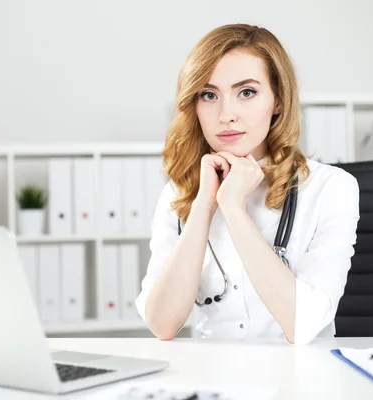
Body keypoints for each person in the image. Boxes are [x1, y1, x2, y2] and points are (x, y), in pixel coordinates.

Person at [135, 23, 360, 346]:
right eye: (209, 95)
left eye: (246, 93)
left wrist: (233, 208)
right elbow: (162, 324)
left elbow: (303, 325)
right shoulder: (180, 192)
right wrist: (204, 206)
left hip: (302, 381)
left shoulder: (331, 188)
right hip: (213, 378)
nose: (226, 114)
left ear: (278, 101)